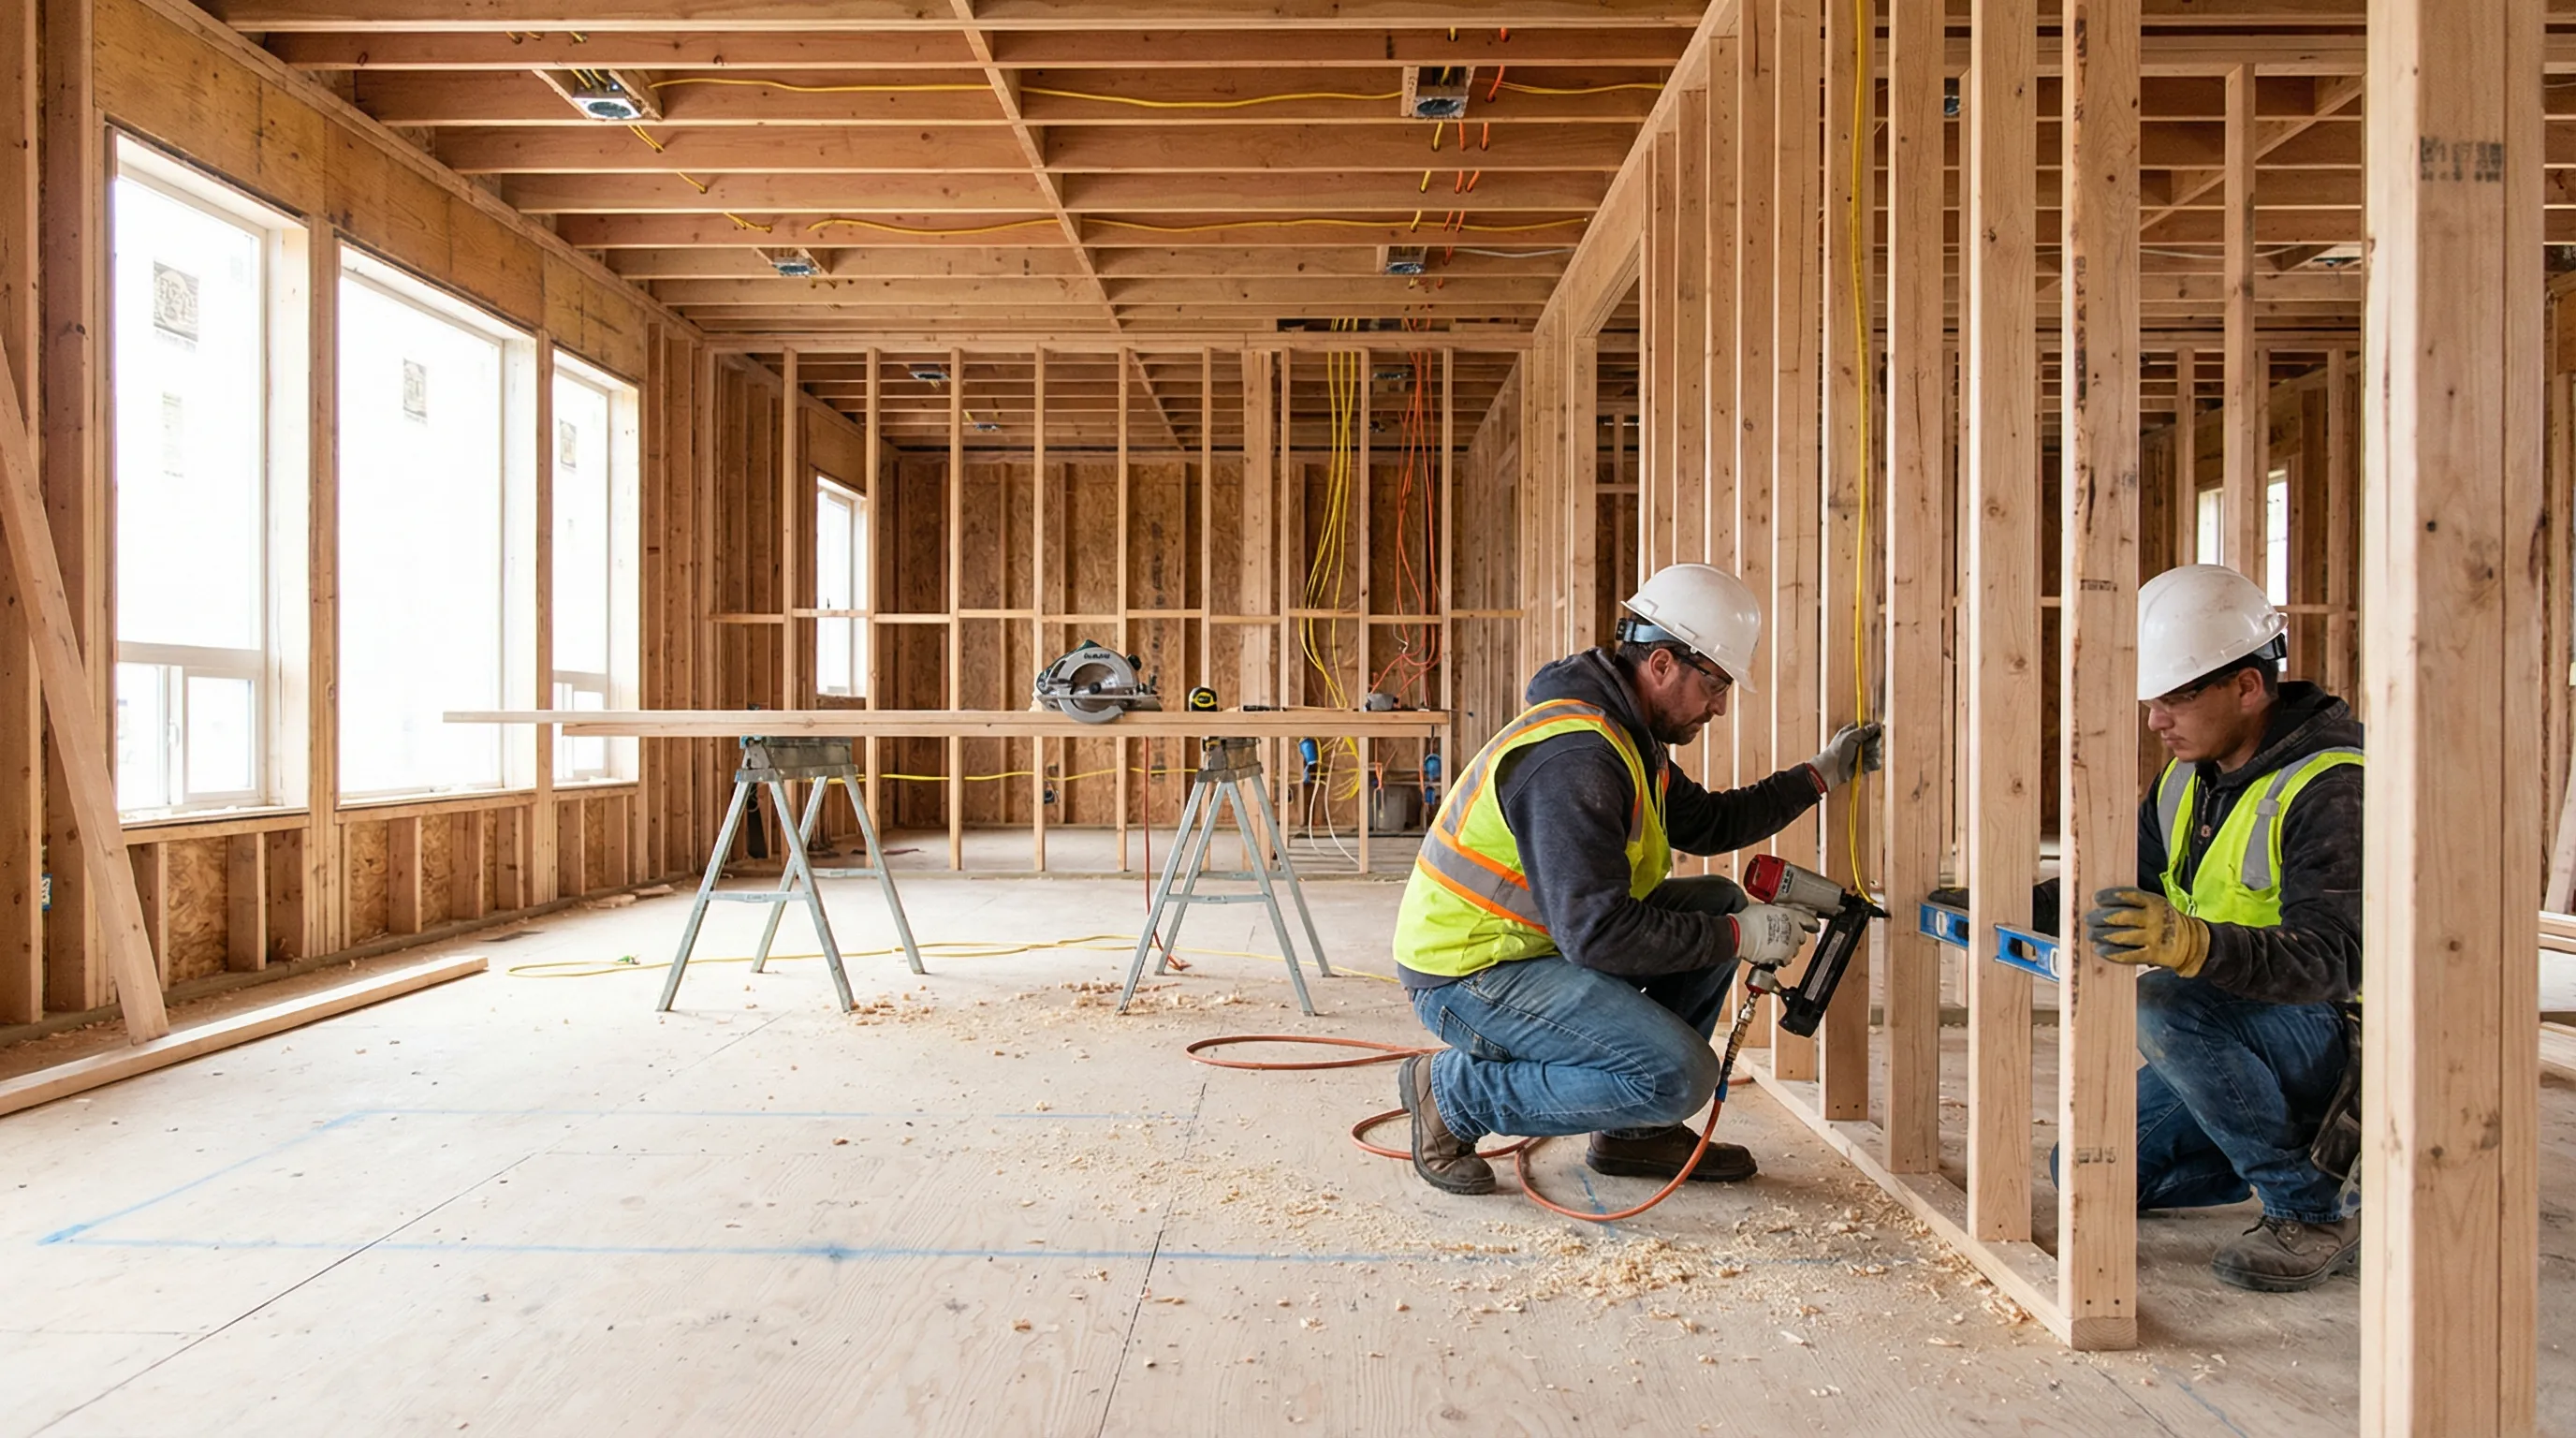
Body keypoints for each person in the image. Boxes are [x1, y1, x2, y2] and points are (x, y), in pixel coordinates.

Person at [1389, 562, 1881, 1196]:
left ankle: (1636, 1133)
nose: (1720, 705)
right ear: (1663, 664)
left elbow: (1707, 823)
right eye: (1715, 683)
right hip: (1469, 974)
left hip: (1535, 945)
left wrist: (1819, 774)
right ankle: (1455, 1095)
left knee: (1716, 901)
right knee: (1680, 1076)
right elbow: (1598, 936)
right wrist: (1740, 937)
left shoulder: (1627, 735)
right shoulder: (1577, 758)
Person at [2080, 563, 2365, 1293]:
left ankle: (2313, 1210)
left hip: (2336, 1042)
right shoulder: (2188, 780)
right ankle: (2272, 1145)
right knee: (2087, 1167)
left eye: (2175, 698)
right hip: (2245, 1030)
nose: (2156, 721)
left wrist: (2194, 944)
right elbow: (2130, 885)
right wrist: (1999, 902)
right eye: (2152, 701)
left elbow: (2337, 959)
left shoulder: (2334, 785)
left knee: (2165, 1005)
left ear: (2246, 686)